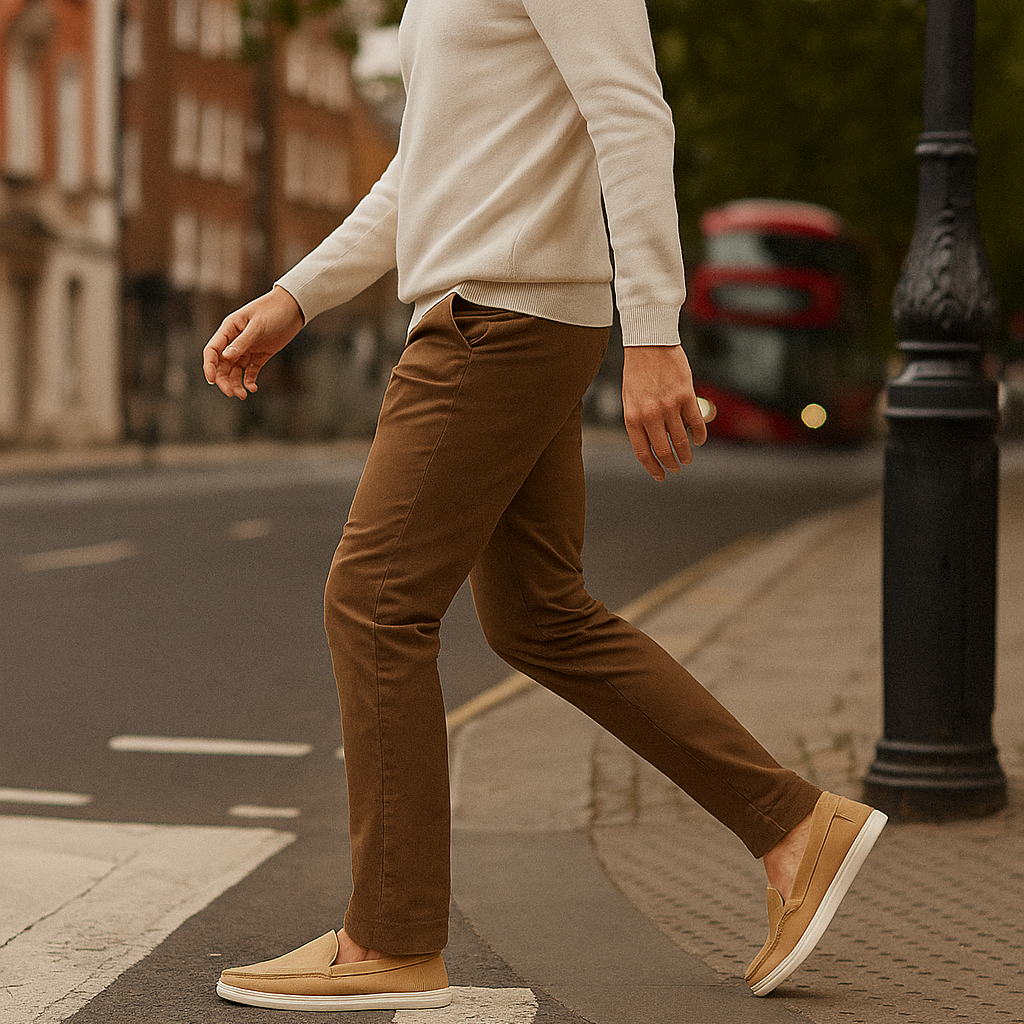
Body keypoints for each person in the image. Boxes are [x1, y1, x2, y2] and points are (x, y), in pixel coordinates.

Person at [204, 0, 886, 1012]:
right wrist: (295, 296)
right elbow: (419, 175)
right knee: (537, 612)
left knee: (374, 598)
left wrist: (655, 334)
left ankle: (388, 938)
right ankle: (790, 825)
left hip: (498, 322)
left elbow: (631, 114)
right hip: (496, 309)